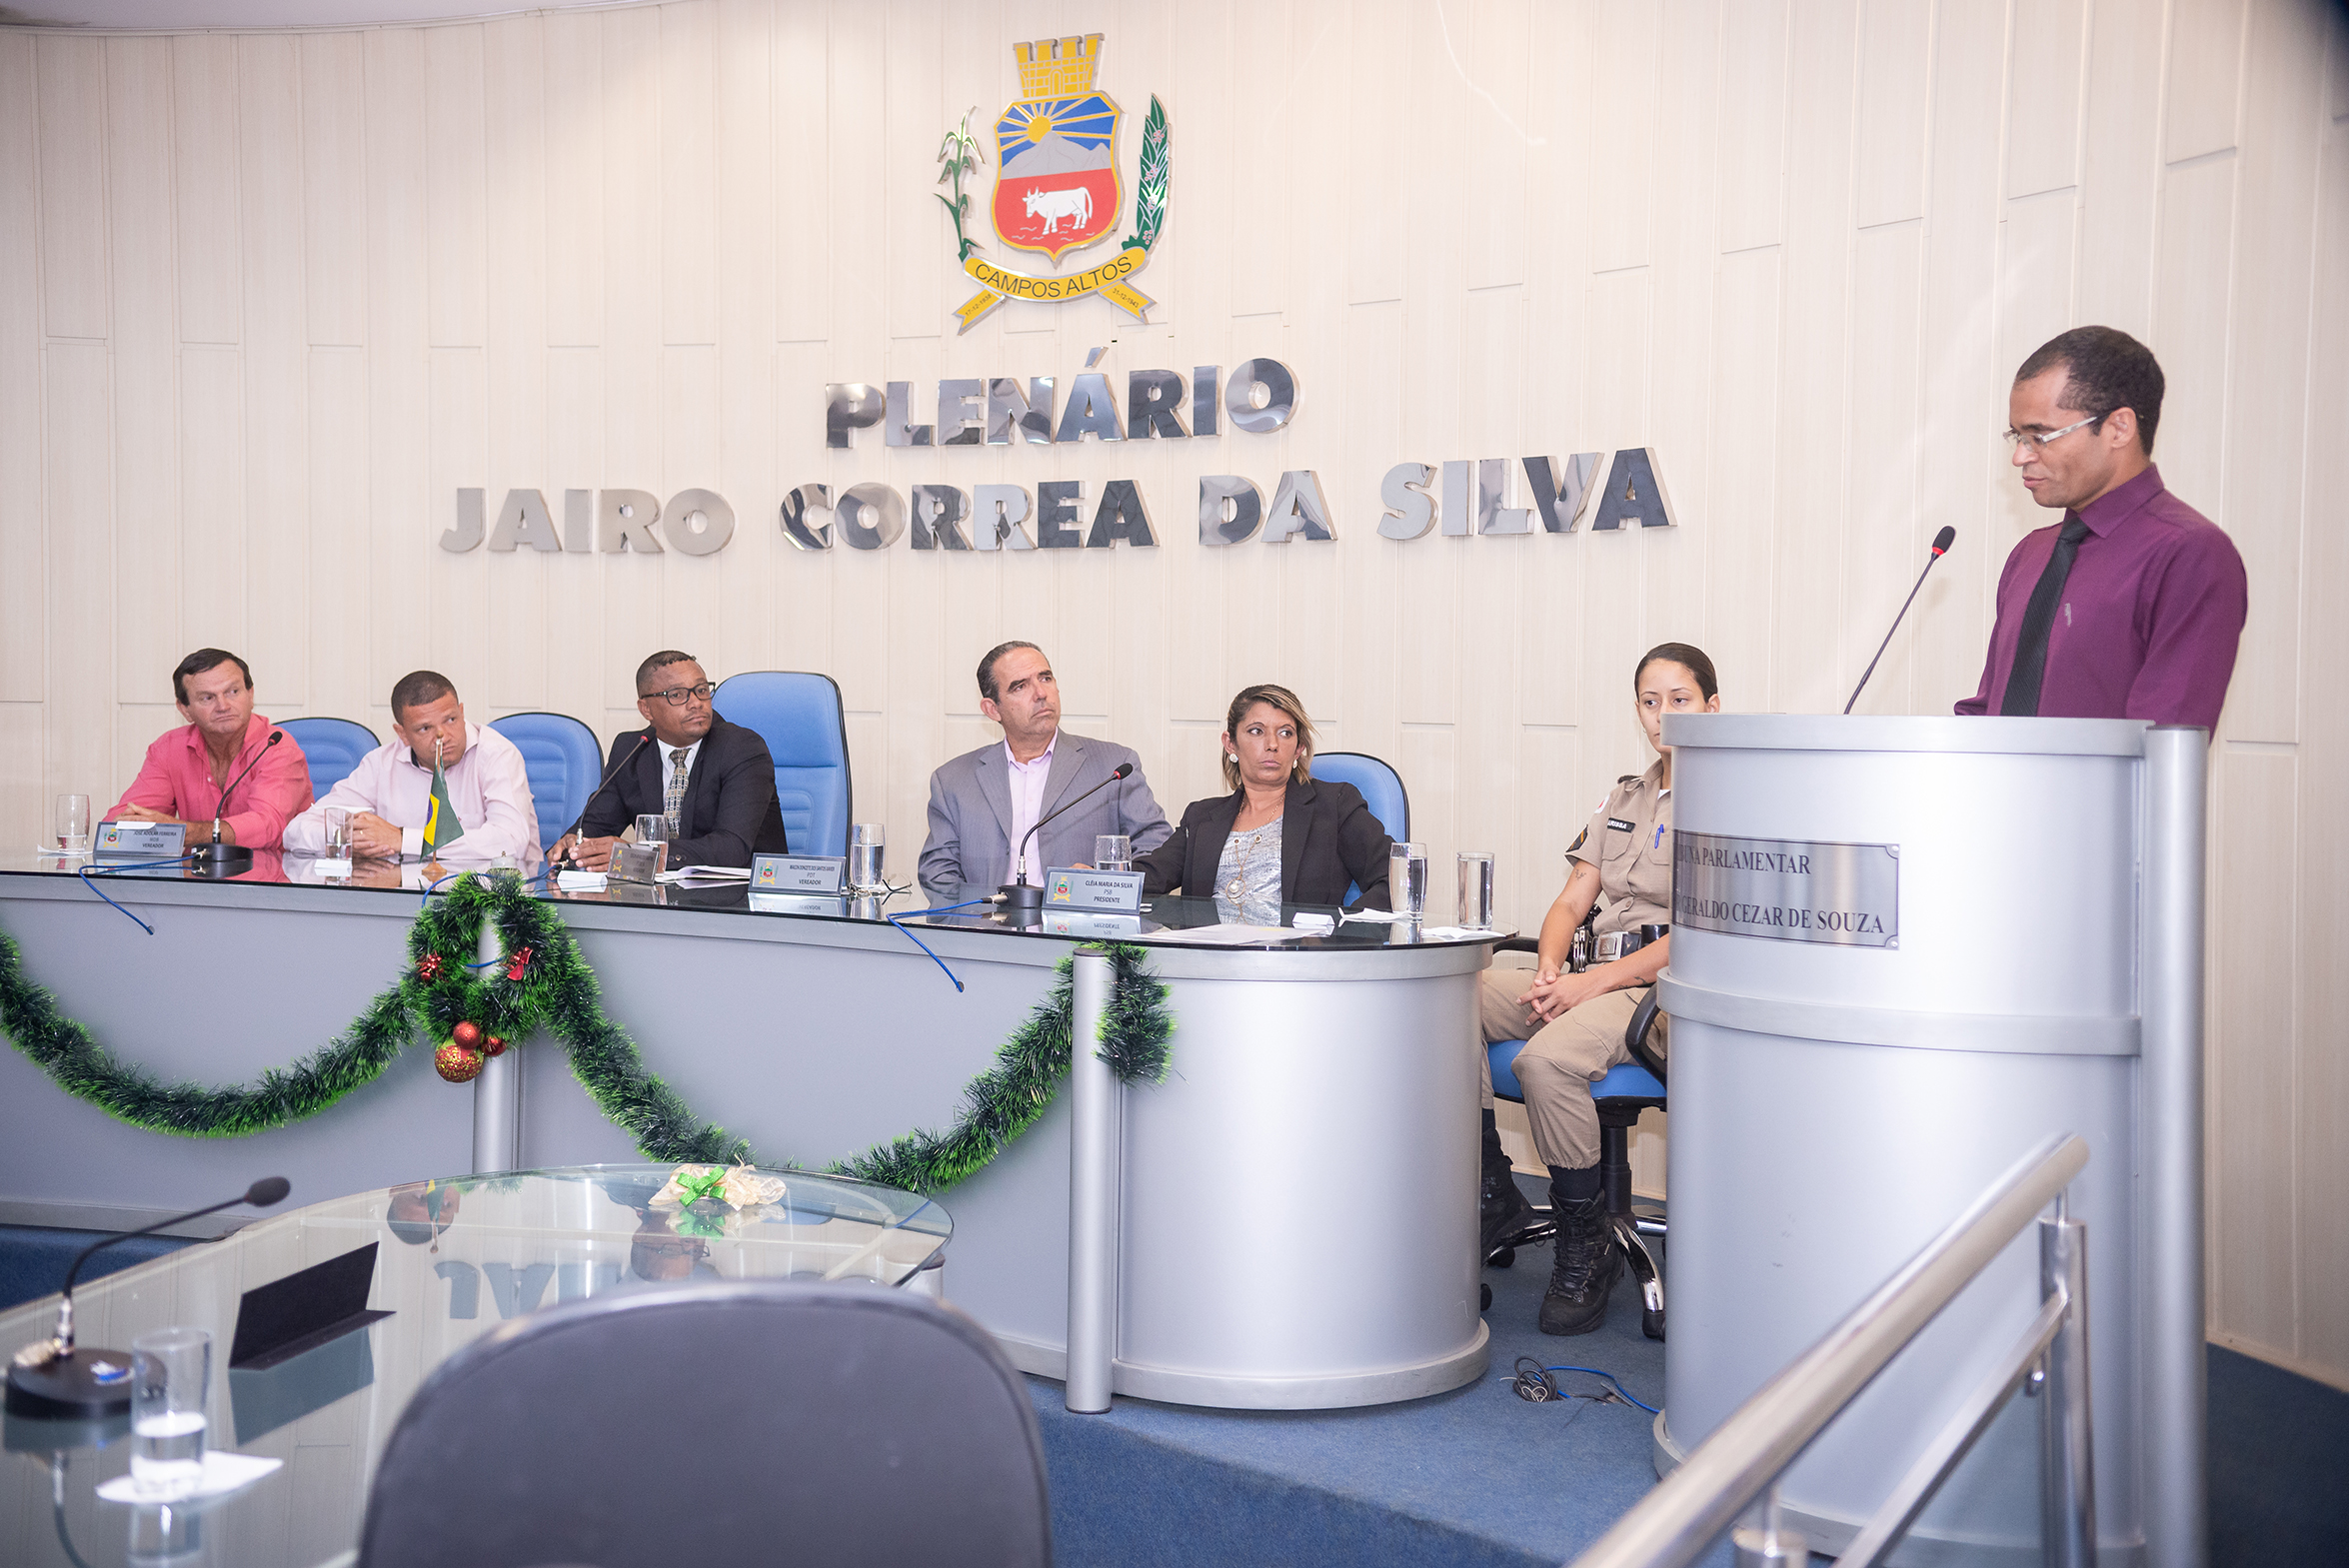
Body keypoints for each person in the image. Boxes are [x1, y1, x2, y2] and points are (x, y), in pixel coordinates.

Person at [1479, 643, 1718, 1337]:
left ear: (1712, 707)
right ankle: (1493, 1190)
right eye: (1650, 700)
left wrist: (1589, 986)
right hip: (1590, 975)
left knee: (1546, 1061)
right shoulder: (1623, 798)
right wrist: (1551, 969)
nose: (1663, 714)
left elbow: (1697, 934)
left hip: (1662, 990)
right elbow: (1571, 900)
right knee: (1445, 1001)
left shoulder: (1732, 800)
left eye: (1680, 699)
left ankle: (1586, 1246)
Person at [1958, 325, 2246, 730]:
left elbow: (2165, 739)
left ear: (2118, 429)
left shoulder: (2189, 553)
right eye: (2017, 436)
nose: (2020, 457)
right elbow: (1993, 711)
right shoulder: (2031, 554)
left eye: (2040, 436)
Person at [919, 641, 1171, 891]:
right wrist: (983, 911)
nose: (1040, 693)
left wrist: (1099, 884)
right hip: (989, 916)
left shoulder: (1114, 766)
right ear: (993, 709)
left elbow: (1157, 849)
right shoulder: (953, 780)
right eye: (1020, 686)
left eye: (1045, 678)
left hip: (1082, 916)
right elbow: (938, 873)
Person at [1136, 684, 1391, 918]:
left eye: (1285, 733)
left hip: (1296, 951)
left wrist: (1339, 930)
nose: (1272, 744)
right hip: (1209, 951)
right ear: (1230, 743)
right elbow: (1147, 879)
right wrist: (1108, 877)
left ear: (1299, 748)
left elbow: (1396, 879)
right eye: (1256, 731)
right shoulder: (1201, 816)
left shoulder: (1335, 805)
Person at [553, 652, 788, 869]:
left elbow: (732, 849)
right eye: (677, 695)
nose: (696, 702)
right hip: (658, 895)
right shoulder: (631, 750)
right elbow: (596, 826)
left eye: (701, 690)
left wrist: (641, 854)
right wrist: (574, 845)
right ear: (646, 709)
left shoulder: (741, 748)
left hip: (742, 894)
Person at [283, 671, 539, 860]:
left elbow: (510, 842)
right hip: (404, 896)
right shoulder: (381, 764)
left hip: (492, 899)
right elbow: (296, 831)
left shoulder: (497, 755)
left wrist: (404, 839)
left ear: (462, 712)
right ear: (402, 733)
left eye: (451, 719)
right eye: (425, 728)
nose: (443, 736)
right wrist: (350, 838)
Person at [108, 649, 314, 850]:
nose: (223, 706)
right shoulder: (169, 748)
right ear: (185, 710)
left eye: (233, 692)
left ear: (250, 695)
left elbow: (267, 826)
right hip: (198, 871)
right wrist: (133, 824)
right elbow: (119, 821)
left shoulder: (277, 747)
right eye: (207, 698)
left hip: (274, 870)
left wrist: (187, 832)